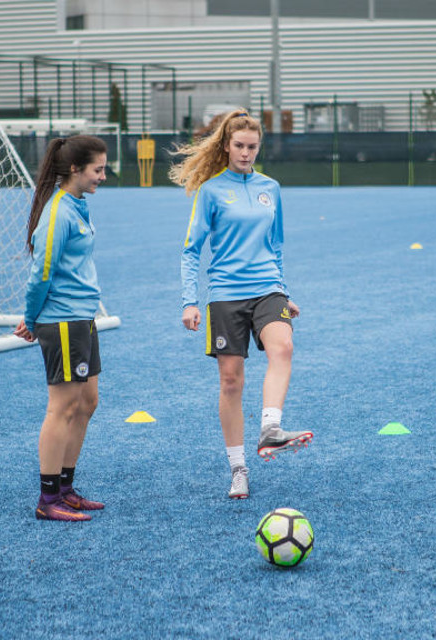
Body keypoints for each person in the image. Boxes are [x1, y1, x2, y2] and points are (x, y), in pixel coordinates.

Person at [171, 109, 312, 500]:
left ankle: (270, 428)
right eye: (240, 146)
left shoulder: (272, 188)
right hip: (225, 294)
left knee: (283, 346)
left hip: (268, 288)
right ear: (227, 145)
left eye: (252, 147)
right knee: (231, 382)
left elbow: (277, 245)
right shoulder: (211, 191)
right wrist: (189, 302)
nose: (246, 153)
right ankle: (238, 469)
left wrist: (284, 290)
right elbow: (190, 251)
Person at [13, 135, 109, 522]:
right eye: (97, 169)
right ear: (74, 169)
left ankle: (66, 488)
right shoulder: (58, 213)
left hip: (82, 317)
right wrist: (32, 317)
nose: (103, 176)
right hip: (63, 320)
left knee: (87, 403)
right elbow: (41, 273)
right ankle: (48, 497)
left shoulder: (78, 205)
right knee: (63, 406)